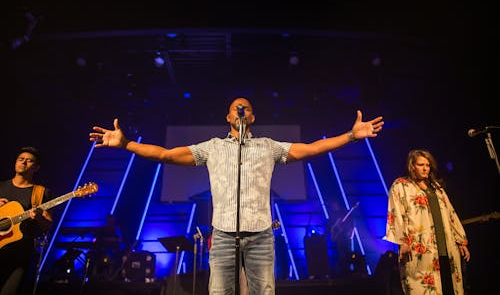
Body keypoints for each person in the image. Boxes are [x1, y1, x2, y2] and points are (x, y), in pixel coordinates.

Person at [89, 97, 384, 294]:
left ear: (252, 116)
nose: (240, 109)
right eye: (235, 107)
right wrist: (126, 143)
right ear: (228, 116)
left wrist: (350, 135)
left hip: (261, 235)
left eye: (246, 107)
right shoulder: (213, 147)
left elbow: (310, 149)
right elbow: (166, 155)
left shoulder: (268, 146)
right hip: (224, 235)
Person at [384, 149, 470, 295]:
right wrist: (402, 241)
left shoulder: (436, 188)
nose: (425, 168)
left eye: (428, 165)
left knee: (450, 288)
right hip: (420, 250)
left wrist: (461, 241)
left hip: (446, 249)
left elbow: (451, 214)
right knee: (422, 288)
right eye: (421, 165)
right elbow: (396, 214)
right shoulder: (401, 186)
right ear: (412, 166)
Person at [0, 147, 53, 295]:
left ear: (36, 168)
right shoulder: (1, 187)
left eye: (29, 161)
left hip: (20, 256)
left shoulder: (41, 192)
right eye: (20, 159)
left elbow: (47, 225)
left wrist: (39, 218)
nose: (23, 162)